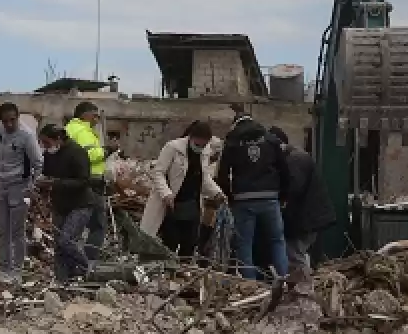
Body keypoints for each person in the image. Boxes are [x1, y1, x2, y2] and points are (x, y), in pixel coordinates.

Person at [217, 111, 290, 279]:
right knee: (277, 241)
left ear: (236, 124)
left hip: (243, 199)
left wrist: (230, 195)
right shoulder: (270, 139)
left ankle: (251, 286)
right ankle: (284, 281)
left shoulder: (232, 141)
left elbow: (222, 174)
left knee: (244, 244)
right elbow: (284, 169)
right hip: (270, 197)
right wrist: (284, 195)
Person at [140, 121, 225, 257]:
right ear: (190, 137)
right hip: (172, 204)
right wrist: (166, 194)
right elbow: (158, 172)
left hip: (192, 204)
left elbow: (204, 178)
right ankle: (169, 271)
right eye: (197, 145)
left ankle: (184, 272)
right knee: (171, 242)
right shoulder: (173, 147)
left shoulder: (204, 152)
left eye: (203, 145)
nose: (200, 148)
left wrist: (217, 192)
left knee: (190, 242)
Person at [268, 126, 335, 287]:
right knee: (297, 253)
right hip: (311, 217)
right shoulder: (296, 157)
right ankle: (303, 285)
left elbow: (293, 188)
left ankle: (305, 288)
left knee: (294, 254)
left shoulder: (295, 160)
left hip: (307, 219)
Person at [0, 102, 43, 284]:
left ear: (18, 117)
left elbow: (38, 163)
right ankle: (4, 269)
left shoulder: (27, 136)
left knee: (17, 231)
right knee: (2, 230)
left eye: (12, 120)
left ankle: (17, 271)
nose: (9, 124)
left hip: (19, 186)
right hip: (1, 185)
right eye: (5, 121)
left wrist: (31, 186)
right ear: (1, 121)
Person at [38, 124, 94, 282]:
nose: (45, 146)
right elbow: (46, 177)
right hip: (59, 205)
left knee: (66, 241)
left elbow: (84, 181)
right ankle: (62, 280)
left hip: (80, 205)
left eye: (47, 143)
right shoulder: (49, 155)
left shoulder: (77, 152)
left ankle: (85, 268)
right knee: (59, 246)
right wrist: (43, 194)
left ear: (58, 139)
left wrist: (56, 183)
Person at [65, 102, 112, 263]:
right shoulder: (83, 132)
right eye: (94, 114)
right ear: (84, 114)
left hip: (73, 183)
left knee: (74, 227)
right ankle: (88, 262)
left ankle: (71, 263)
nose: (97, 118)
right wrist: (105, 151)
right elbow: (86, 156)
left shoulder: (69, 129)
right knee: (97, 226)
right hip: (91, 182)